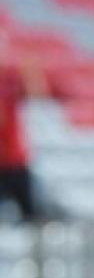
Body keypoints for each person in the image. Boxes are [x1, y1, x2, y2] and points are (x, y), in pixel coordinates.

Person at [0, 34, 47, 222]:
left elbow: (37, 95)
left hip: (15, 159)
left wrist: (31, 72)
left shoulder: (11, 79)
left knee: (30, 216)